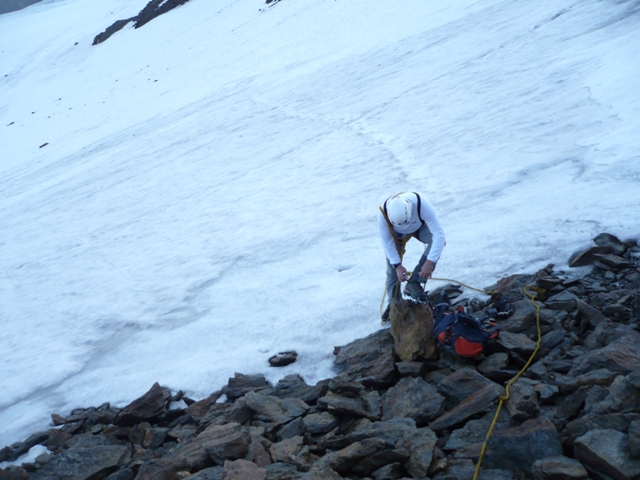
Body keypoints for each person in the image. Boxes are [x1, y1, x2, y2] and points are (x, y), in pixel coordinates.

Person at [378, 192, 446, 321]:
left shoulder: (422, 204)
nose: (404, 227)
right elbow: (387, 243)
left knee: (438, 244)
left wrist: (430, 262)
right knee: (392, 272)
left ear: (410, 208)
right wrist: (397, 266)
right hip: (395, 235)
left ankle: (414, 283)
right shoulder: (383, 214)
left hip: (419, 227)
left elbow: (438, 235)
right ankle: (394, 304)